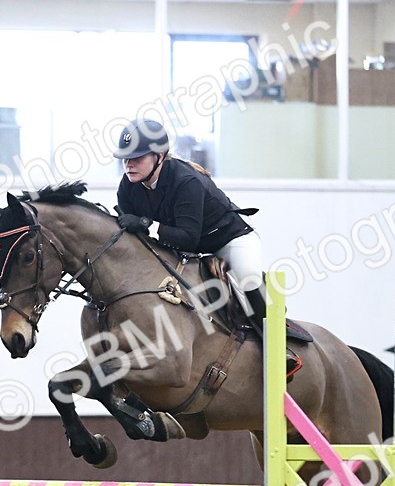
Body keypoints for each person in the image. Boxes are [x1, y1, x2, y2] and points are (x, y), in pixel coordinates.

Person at [112, 118, 299, 377]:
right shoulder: (128, 186)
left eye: (137, 158)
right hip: (185, 251)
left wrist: (147, 224)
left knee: (247, 276)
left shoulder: (186, 180)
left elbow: (188, 236)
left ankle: (280, 348)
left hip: (228, 240)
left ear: (159, 156)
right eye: (125, 158)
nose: (129, 164)